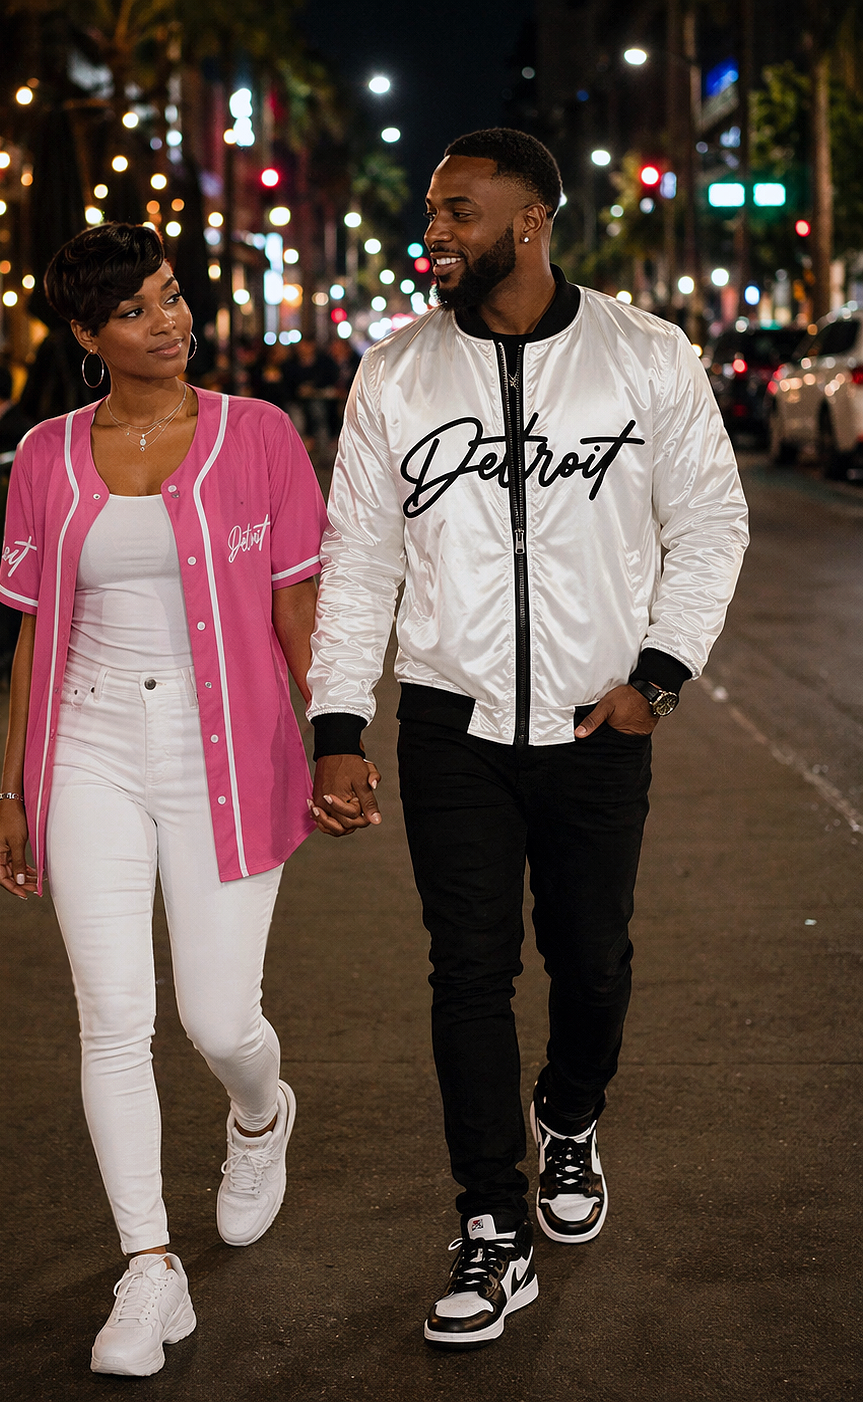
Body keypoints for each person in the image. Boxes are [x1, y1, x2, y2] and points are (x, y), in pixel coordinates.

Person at [306, 129, 749, 1350]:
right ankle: (491, 1221)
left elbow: (709, 524)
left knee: (592, 957)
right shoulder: (394, 374)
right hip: (449, 725)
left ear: (531, 219)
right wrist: (336, 721)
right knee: (468, 969)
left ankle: (569, 1112)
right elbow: (358, 561)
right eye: (432, 211)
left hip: (594, 721)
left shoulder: (643, 356)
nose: (435, 230)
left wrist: (652, 678)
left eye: (459, 210)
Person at [0, 222, 331, 1378]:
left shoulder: (260, 434)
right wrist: (13, 789)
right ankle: (148, 1268)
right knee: (111, 1016)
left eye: (172, 296)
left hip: (223, 748)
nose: (170, 320)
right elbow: (36, 631)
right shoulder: (43, 454)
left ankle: (258, 1113)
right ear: (87, 337)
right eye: (137, 309)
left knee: (218, 1020)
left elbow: (297, 610)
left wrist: (338, 740)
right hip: (86, 746)